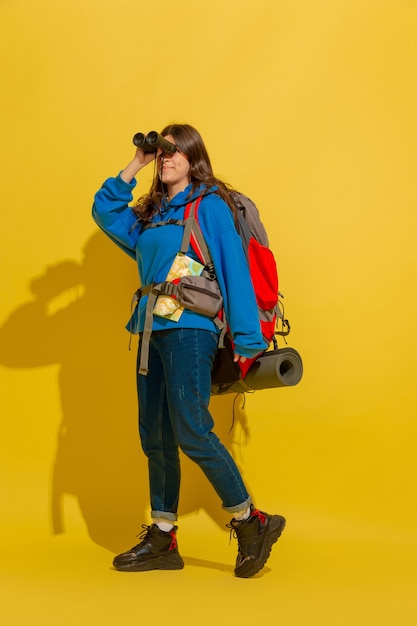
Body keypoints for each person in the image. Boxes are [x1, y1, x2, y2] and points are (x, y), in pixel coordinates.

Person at [92, 123, 285, 578]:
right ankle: (163, 536)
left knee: (193, 430)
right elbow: (104, 211)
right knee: (154, 437)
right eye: (162, 153)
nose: (166, 157)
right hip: (149, 331)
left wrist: (247, 342)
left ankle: (251, 521)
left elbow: (233, 269)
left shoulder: (209, 206)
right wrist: (136, 163)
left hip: (190, 330)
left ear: (194, 157)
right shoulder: (153, 217)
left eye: (175, 151)